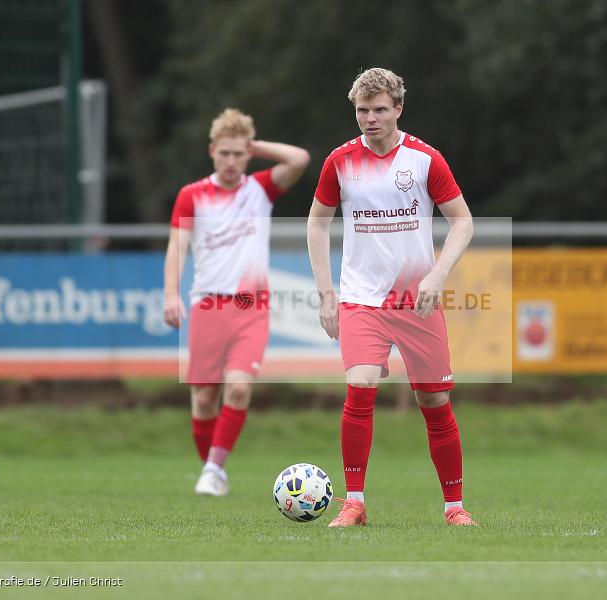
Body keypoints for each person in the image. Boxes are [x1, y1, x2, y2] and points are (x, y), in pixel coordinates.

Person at [307, 68, 476, 526]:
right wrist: (327, 293)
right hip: (362, 299)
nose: (370, 118)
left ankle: (454, 508)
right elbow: (317, 222)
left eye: (380, 109)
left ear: (398, 108)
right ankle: (354, 502)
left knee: (434, 402)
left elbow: (463, 221)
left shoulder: (425, 159)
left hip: (415, 302)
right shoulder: (339, 161)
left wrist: (437, 276)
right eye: (362, 110)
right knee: (360, 385)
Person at [164, 108, 310, 496]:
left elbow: (299, 159)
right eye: (224, 153)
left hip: (251, 307)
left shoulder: (260, 190)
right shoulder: (192, 196)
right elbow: (177, 248)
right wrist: (169, 294)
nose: (231, 161)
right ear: (212, 152)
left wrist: (255, 145)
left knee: (239, 388)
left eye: (238, 153)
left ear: (247, 154)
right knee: (204, 397)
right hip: (208, 306)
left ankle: (213, 469)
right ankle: (213, 469)